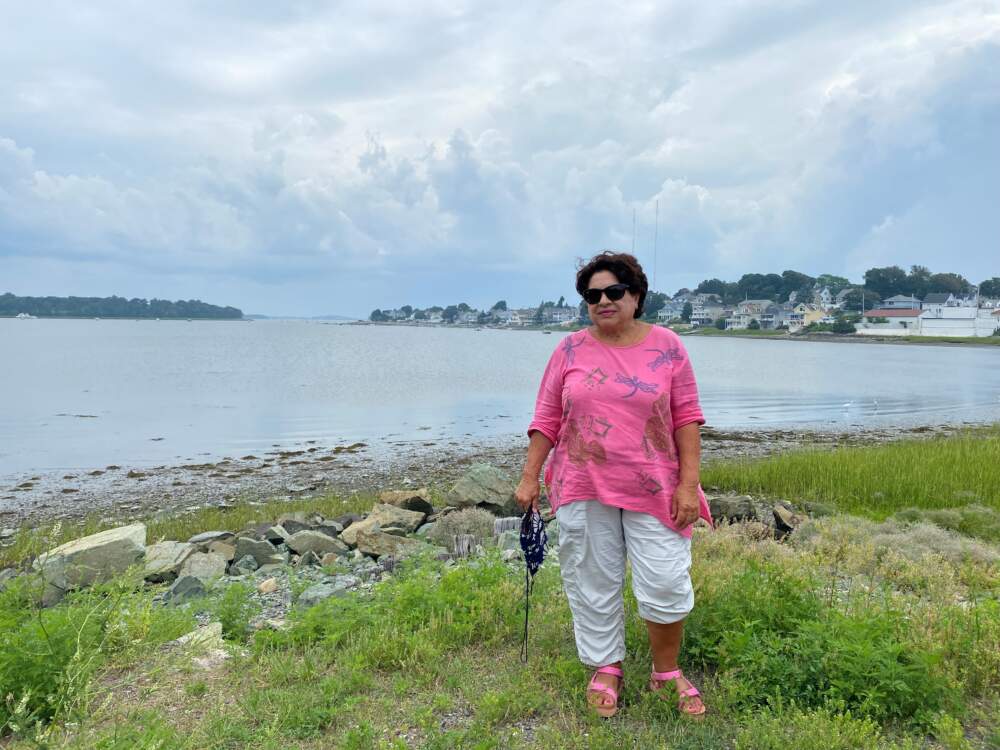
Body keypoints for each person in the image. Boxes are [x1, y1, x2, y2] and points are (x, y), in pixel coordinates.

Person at [515, 251, 711, 718]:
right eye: (592, 295)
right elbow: (547, 418)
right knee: (591, 578)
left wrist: (689, 485)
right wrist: (529, 478)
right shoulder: (569, 350)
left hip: (655, 486)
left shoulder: (668, 346)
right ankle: (607, 666)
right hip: (582, 482)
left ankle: (666, 671)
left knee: (664, 578)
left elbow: (687, 419)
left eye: (613, 292)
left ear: (635, 295)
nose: (603, 301)